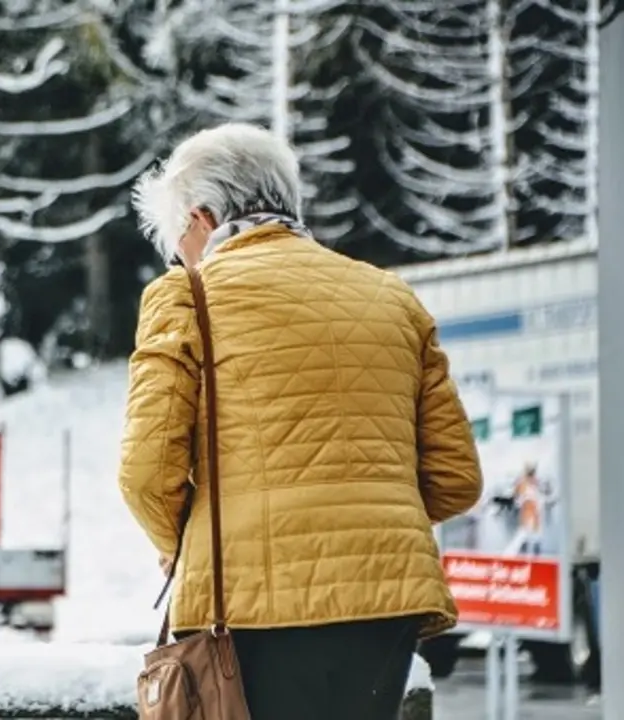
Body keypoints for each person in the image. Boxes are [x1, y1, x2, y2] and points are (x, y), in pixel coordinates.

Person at [118, 122, 484, 720]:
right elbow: (455, 478)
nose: (178, 254)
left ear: (203, 218)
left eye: (176, 235)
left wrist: (181, 544)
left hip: (252, 607)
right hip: (386, 599)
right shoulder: (391, 296)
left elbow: (144, 471)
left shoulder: (187, 295)